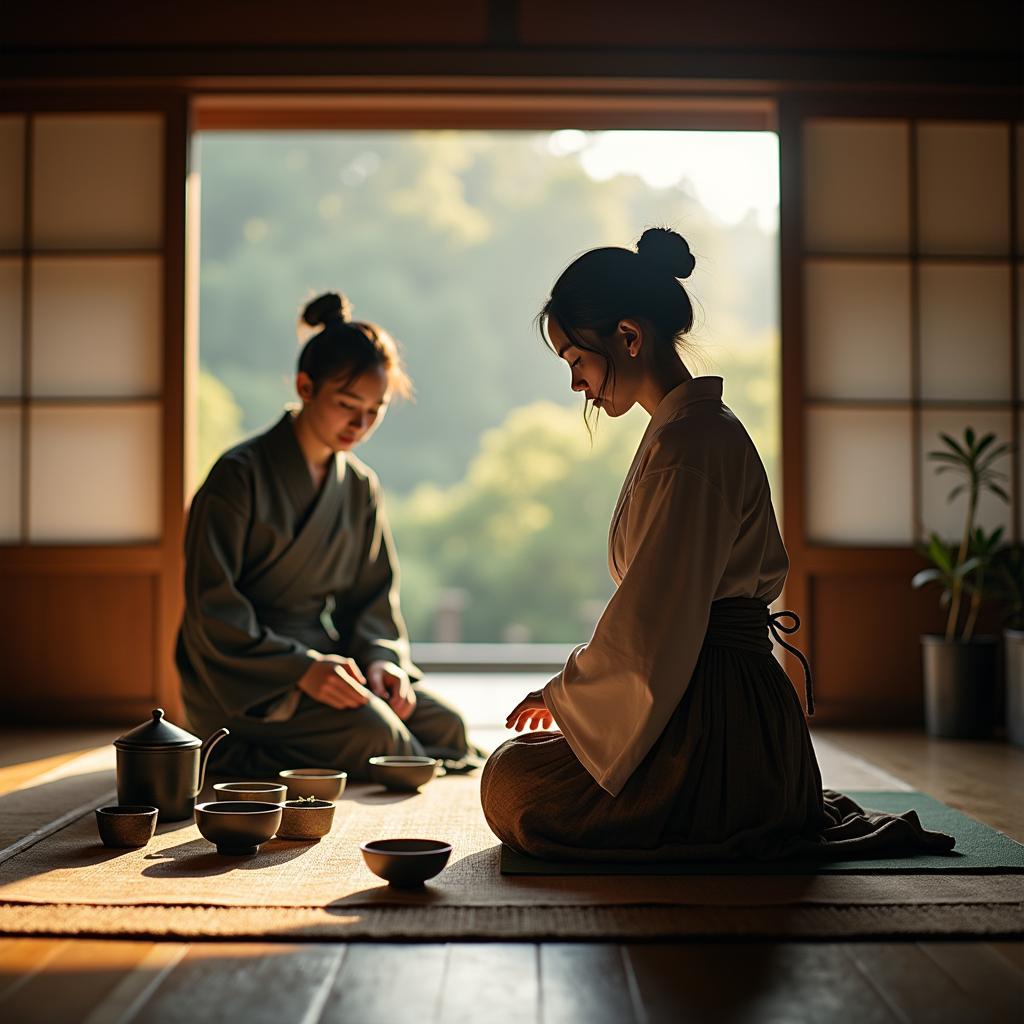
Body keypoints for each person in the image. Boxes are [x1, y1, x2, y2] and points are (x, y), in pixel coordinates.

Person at [481, 228, 954, 861]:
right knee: (520, 766)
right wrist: (573, 698)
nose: (576, 385)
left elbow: (655, 622)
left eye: (575, 360)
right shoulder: (687, 432)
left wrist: (567, 693)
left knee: (512, 784)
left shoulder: (689, 446)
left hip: (716, 712)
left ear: (628, 337)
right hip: (721, 697)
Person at [177, 291, 471, 779]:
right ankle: (230, 754)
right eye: (347, 404)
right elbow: (213, 610)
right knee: (378, 734)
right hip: (246, 674)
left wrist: (382, 663)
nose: (360, 423)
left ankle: (356, 749)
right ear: (305, 386)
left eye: (374, 410)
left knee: (447, 728)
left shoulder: (358, 487)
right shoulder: (238, 476)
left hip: (329, 662)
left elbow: (372, 600)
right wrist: (301, 669)